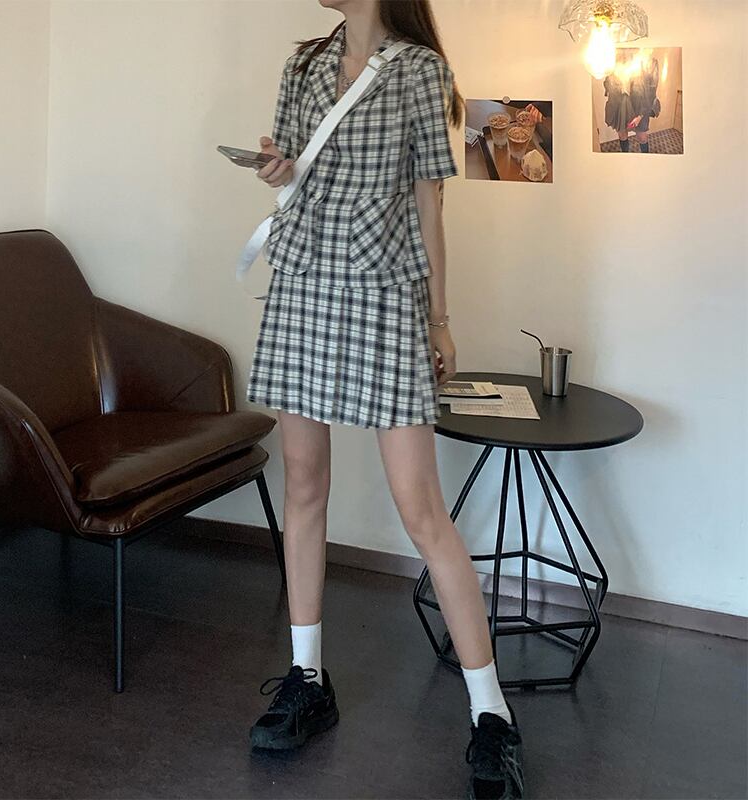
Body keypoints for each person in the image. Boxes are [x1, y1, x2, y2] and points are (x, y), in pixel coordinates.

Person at [245, 2, 525, 798]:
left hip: (384, 294)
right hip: (303, 286)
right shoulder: (303, 65)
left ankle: (492, 714)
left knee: (422, 510)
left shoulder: (420, 70)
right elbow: (292, 172)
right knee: (303, 486)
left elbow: (430, 202)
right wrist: (278, 168)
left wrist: (440, 319)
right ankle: (308, 678)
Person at [603, 48, 659, 153]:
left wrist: (640, 115)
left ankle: (645, 159)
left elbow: (651, 92)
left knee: (642, 137)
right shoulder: (614, 59)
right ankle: (625, 156)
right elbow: (607, 82)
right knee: (622, 134)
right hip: (620, 104)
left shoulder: (649, 61)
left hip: (641, 105)